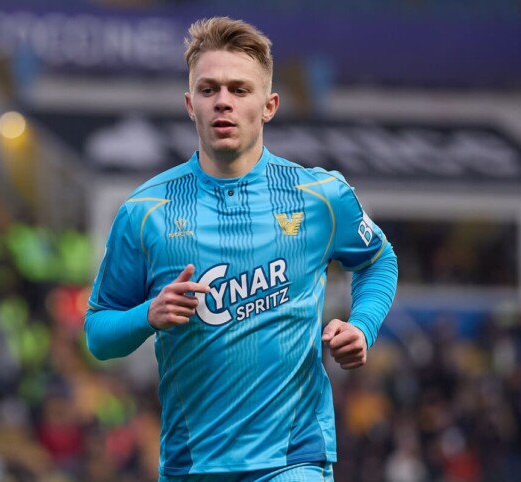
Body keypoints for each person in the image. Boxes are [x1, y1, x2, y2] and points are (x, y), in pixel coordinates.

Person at [85, 16, 398, 482]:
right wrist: (147, 315)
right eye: (208, 89)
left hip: (292, 459)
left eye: (239, 89)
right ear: (190, 104)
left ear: (269, 105)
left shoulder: (319, 197)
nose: (223, 102)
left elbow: (378, 261)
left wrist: (362, 326)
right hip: (193, 466)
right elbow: (98, 333)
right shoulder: (145, 212)